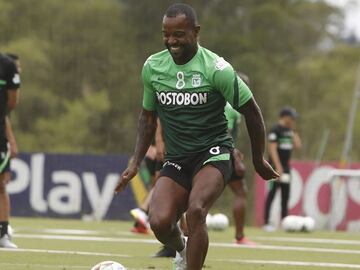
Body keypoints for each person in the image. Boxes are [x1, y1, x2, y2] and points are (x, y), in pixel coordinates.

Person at [115, 4, 278, 270]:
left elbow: (252, 112)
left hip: (213, 154)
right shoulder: (153, 66)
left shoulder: (217, 68)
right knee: (158, 221)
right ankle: (181, 250)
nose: (172, 41)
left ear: (196, 31)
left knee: (196, 211)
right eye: (166, 35)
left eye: (179, 34)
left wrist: (258, 159)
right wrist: (134, 162)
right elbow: (147, 118)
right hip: (177, 157)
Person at [224, 72, 255, 245]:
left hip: (209, 150)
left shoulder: (220, 101)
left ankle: (185, 231)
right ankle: (239, 236)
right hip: (222, 152)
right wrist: (233, 152)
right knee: (241, 192)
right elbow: (225, 131)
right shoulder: (232, 107)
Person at [263, 106, 301, 232]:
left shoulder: (290, 130)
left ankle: (285, 222)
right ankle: (267, 223)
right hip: (274, 167)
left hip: (286, 168)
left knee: (286, 196)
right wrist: (277, 167)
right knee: (272, 194)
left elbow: (298, 145)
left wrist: (293, 131)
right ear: (284, 117)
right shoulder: (275, 130)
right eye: (291, 118)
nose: (293, 120)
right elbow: (272, 149)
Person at [0, 53, 21, 248]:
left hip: (0, 136)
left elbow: (9, 106)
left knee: (1, 185)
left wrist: (11, 140)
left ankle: (2, 233)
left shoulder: (6, 65)